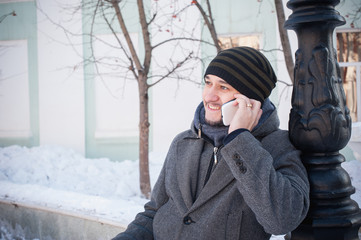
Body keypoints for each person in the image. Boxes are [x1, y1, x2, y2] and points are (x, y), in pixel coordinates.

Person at [112, 47, 310, 240]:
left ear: (249, 100)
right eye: (208, 83)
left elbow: (282, 220)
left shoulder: (277, 146)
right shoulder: (183, 142)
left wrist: (240, 139)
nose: (209, 96)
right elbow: (154, 213)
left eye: (223, 87)